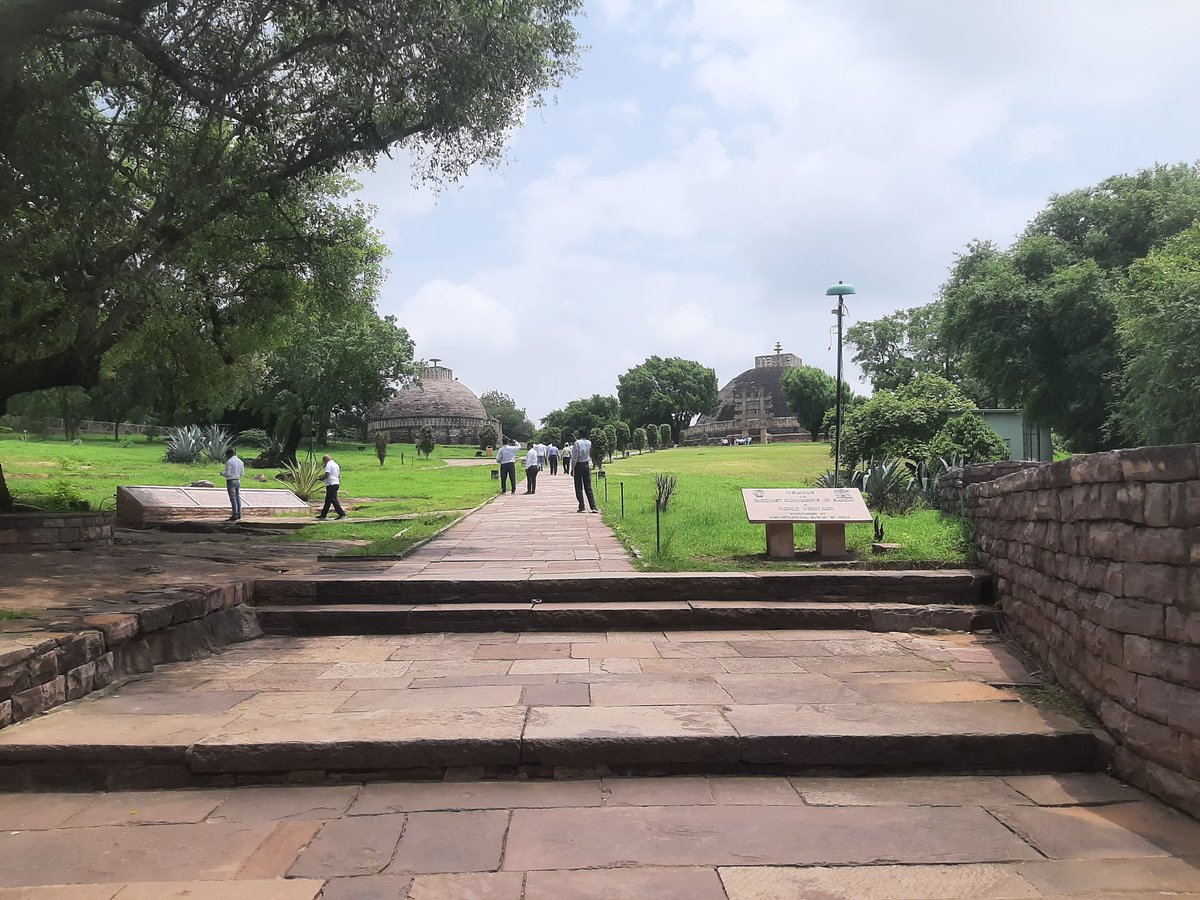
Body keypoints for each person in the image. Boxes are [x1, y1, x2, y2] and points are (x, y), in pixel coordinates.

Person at [571, 429, 599, 513]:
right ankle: (593, 506)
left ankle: (582, 506)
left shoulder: (577, 443)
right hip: (586, 465)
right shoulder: (589, 443)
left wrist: (572, 468)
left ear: (579, 435)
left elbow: (575, 457)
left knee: (578, 487)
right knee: (588, 486)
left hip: (578, 465)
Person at [316, 453, 347, 519]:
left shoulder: (329, 464)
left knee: (333, 500)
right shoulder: (336, 464)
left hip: (331, 484)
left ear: (325, 460)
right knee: (328, 501)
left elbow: (327, 474)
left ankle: (342, 514)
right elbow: (336, 474)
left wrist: (321, 479)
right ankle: (323, 515)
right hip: (335, 483)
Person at [221, 447, 244, 521]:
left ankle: (235, 514)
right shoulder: (240, 461)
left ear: (229, 454)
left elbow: (227, 473)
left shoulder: (229, 461)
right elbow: (242, 474)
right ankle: (239, 514)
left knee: (233, 498)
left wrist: (222, 473)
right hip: (237, 480)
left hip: (231, 480)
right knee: (237, 497)